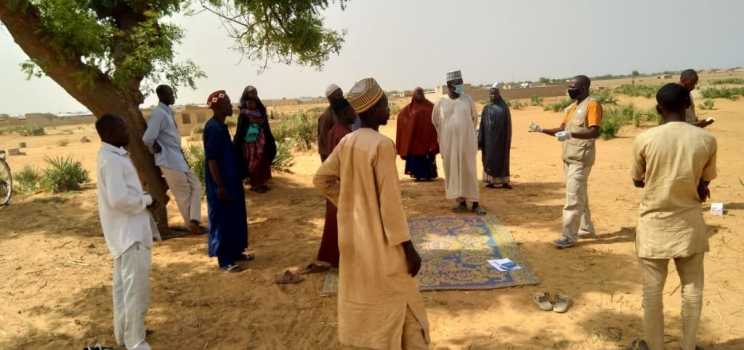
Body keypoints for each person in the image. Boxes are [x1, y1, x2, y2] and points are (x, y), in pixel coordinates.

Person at [313, 78, 431, 350]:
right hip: (383, 241)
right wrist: (409, 248)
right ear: (372, 109)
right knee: (403, 298)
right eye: (385, 105)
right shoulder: (382, 145)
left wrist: (350, 205)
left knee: (370, 294)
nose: (389, 110)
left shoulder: (347, 142)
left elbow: (321, 179)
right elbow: (390, 206)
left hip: (355, 237)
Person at [628, 83, 717, 350]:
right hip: (689, 225)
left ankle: (654, 345)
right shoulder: (706, 139)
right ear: (688, 105)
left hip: (654, 225)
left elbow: (637, 179)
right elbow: (706, 181)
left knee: (652, 293)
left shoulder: (645, 139)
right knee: (692, 290)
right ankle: (688, 346)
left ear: (659, 109)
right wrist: (697, 186)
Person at [96, 113, 159, 350]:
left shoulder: (110, 155)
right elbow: (119, 198)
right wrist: (146, 199)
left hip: (123, 234)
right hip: (129, 234)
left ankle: (125, 334)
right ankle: (135, 342)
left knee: (123, 289)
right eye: (123, 127)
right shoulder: (111, 160)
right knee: (136, 291)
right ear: (111, 133)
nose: (128, 131)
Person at [529, 75, 601, 248]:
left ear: (584, 88)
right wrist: (541, 129)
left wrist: (571, 134)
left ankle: (569, 236)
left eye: (572, 86)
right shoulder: (570, 108)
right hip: (568, 158)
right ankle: (586, 229)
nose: (570, 89)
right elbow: (561, 130)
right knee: (579, 195)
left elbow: (594, 132)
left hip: (581, 158)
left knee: (573, 198)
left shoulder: (592, 105)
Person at [142, 85, 205, 235]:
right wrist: (154, 148)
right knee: (182, 194)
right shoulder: (159, 114)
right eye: (169, 94)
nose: (173, 96)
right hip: (168, 159)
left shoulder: (167, 113)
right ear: (161, 95)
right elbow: (147, 137)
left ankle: (194, 220)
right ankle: (192, 225)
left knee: (196, 186)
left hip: (178, 158)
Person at [204, 90, 252, 273]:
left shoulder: (221, 126)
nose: (231, 107)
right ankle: (225, 260)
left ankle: (236, 252)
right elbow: (211, 159)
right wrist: (220, 186)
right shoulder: (213, 128)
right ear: (217, 107)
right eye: (228, 104)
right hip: (222, 183)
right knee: (223, 219)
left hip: (231, 180)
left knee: (235, 216)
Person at [432, 69, 485, 215]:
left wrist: (463, 132)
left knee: (469, 171)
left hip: (466, 143)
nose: (460, 85)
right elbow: (436, 122)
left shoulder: (467, 100)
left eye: (461, 82)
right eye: (457, 83)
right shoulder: (441, 102)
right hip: (449, 145)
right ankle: (461, 201)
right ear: (449, 85)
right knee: (453, 171)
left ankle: (475, 203)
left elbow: (474, 119)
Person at [234, 85, 277, 192]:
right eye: (252, 93)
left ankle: (261, 182)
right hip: (250, 141)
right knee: (254, 161)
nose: (255, 95)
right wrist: (253, 121)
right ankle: (255, 184)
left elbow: (264, 121)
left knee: (262, 160)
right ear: (247, 94)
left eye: (256, 93)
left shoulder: (259, 107)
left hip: (261, 139)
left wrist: (260, 122)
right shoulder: (244, 109)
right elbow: (242, 126)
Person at [396, 87, 439, 181]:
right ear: (414, 95)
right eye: (417, 94)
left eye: (421, 93)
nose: (419, 95)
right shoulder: (410, 108)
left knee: (427, 156)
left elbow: (436, 118)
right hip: (415, 140)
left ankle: (428, 175)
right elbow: (402, 117)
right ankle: (417, 175)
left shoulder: (430, 106)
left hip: (427, 138)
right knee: (416, 158)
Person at [479, 82, 513, 189]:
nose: (493, 96)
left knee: (502, 160)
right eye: (491, 94)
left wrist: (506, 139)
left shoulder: (504, 108)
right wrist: (481, 139)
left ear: (499, 94)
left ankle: (504, 181)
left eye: (495, 94)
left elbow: (507, 125)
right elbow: (482, 125)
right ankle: (491, 181)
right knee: (489, 159)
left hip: (501, 140)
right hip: (488, 141)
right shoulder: (486, 108)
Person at [318, 84, 344, 162]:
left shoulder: (342, 113)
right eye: (338, 95)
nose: (342, 97)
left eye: (342, 94)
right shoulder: (326, 117)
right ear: (330, 98)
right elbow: (323, 143)